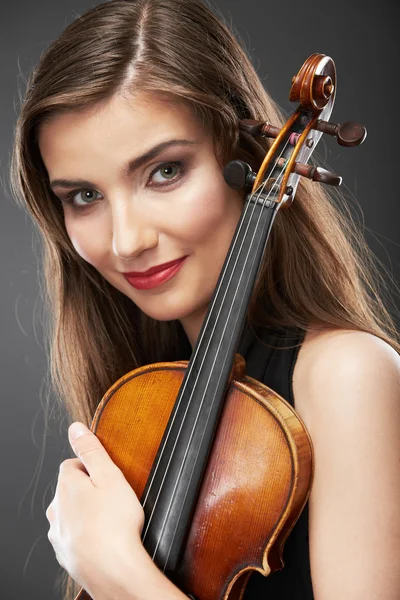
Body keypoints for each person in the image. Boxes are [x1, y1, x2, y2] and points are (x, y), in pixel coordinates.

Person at [10, 0, 400, 599]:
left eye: (165, 172)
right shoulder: (144, 400)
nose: (126, 241)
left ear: (242, 157)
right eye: (84, 195)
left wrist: (121, 576)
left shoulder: (347, 375)